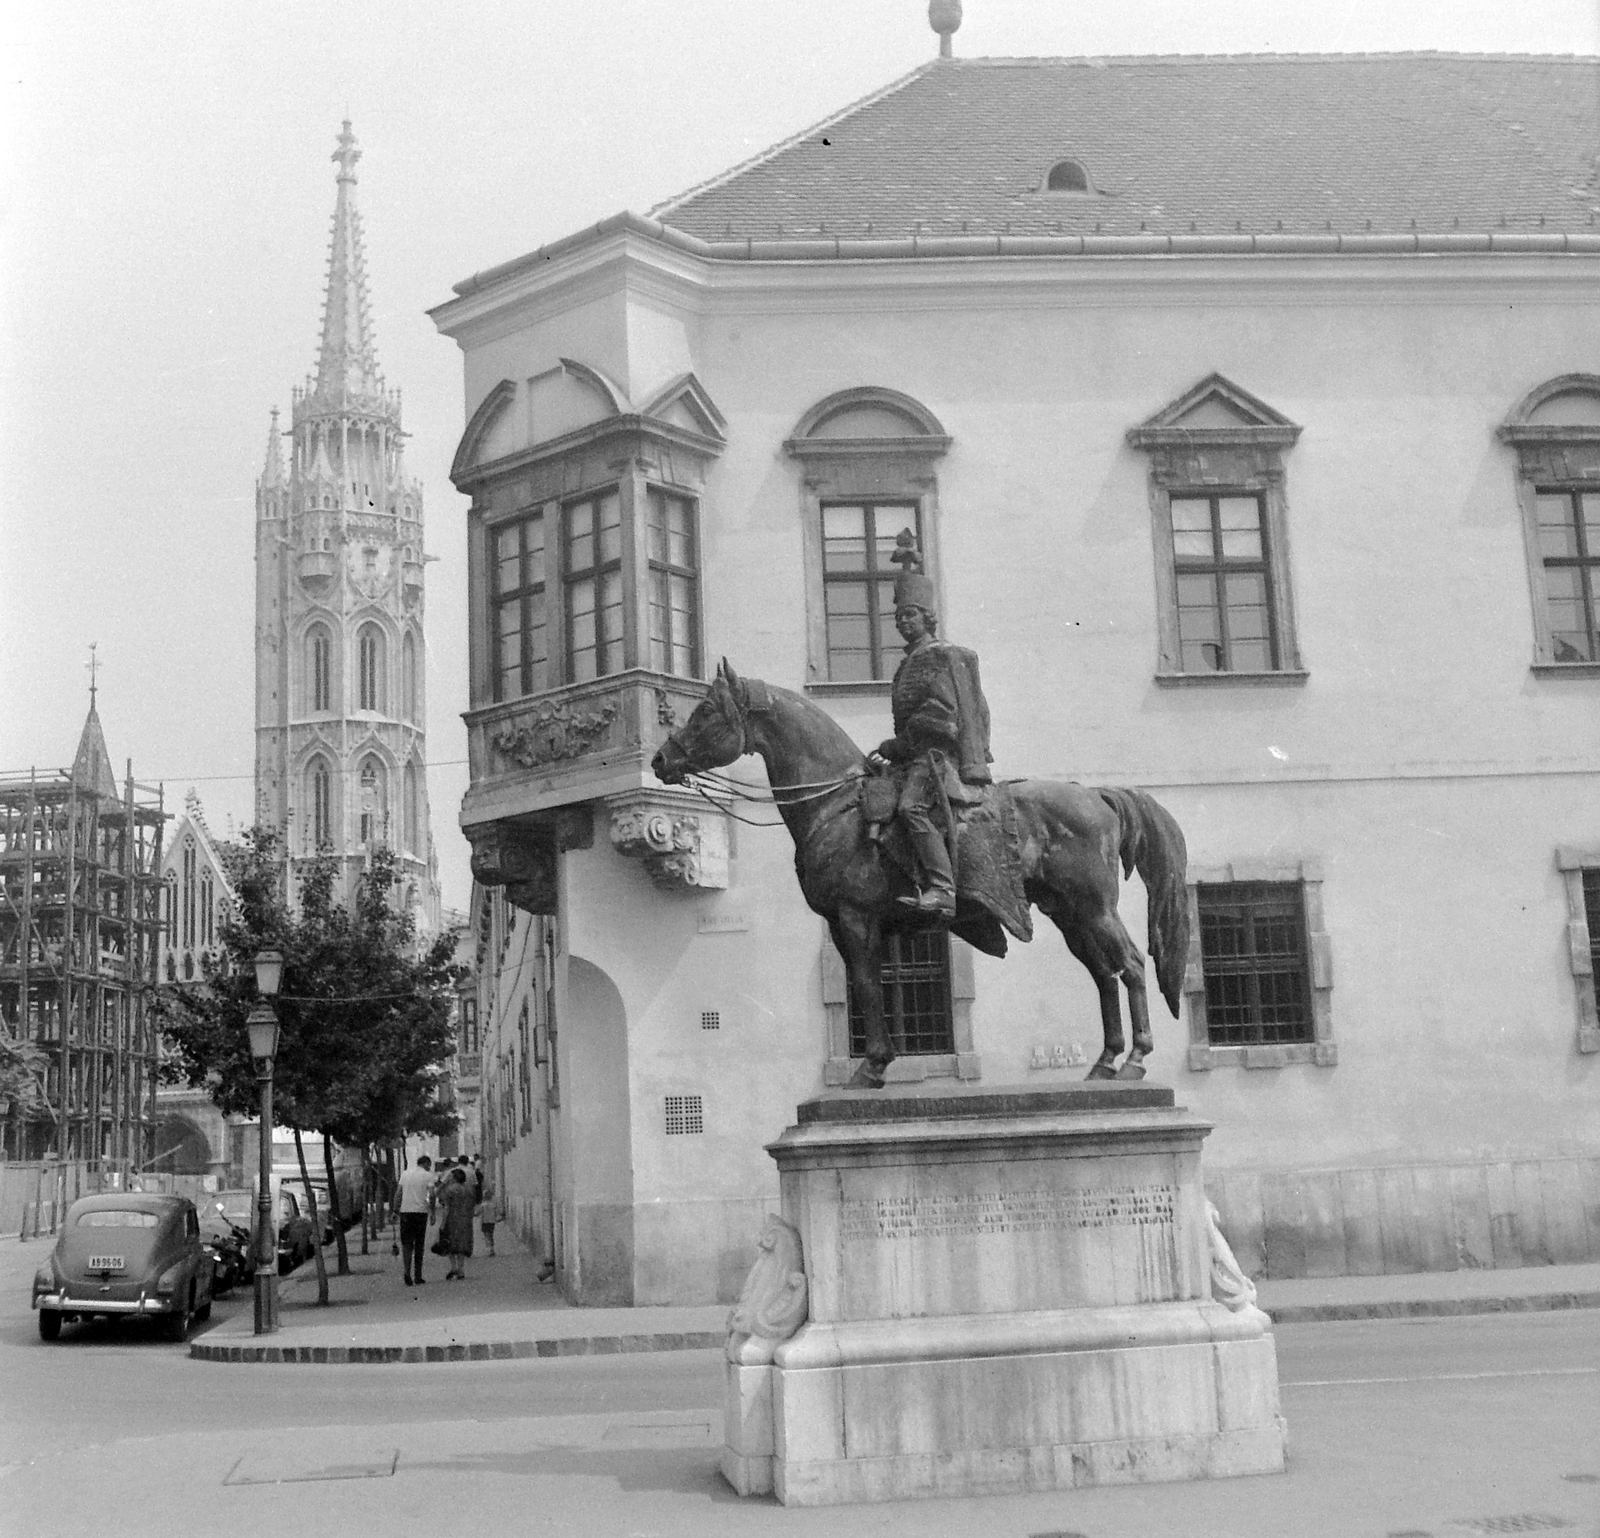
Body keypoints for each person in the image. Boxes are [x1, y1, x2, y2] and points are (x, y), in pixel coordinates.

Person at [866, 531, 993, 917]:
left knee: (910, 809)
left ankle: (942, 888)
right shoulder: (909, 662)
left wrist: (897, 746)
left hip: (937, 757)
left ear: (928, 618)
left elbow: (941, 714)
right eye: (900, 616)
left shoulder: (936, 657)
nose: (904, 622)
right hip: (915, 756)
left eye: (911, 615)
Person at [393, 1154, 434, 1286]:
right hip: (420, 1212)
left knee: (407, 1244)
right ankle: (418, 1275)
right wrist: (432, 1212)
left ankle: (406, 1272)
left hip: (405, 1212)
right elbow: (432, 1195)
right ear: (427, 1164)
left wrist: (395, 1209)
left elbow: (398, 1192)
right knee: (419, 1244)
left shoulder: (405, 1174)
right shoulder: (428, 1176)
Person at [438, 1166, 476, 1280]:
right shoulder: (469, 1190)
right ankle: (461, 1269)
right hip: (465, 1218)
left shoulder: (449, 1190)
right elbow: (472, 1204)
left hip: (452, 1219)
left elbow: (446, 1207)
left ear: (454, 1177)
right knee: (462, 1244)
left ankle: (453, 1267)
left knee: (450, 1243)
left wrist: (443, 1223)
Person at [478, 1169, 501, 1258]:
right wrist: (497, 1217)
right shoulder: (493, 1204)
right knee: (491, 1235)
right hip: (491, 1222)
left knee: (486, 1236)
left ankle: (488, 1249)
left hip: (484, 1222)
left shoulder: (483, 1205)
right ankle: (492, 1248)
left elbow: (479, 1212)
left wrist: (474, 1214)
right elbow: (497, 1212)